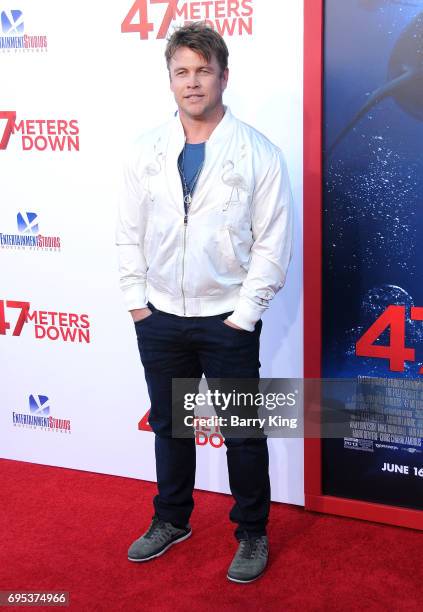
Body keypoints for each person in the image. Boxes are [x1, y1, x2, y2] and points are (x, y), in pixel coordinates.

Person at [116, 22, 293, 584]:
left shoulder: (259, 152)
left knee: (243, 432)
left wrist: (244, 317)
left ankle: (252, 533)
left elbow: (273, 244)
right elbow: (128, 233)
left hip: (228, 321)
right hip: (161, 316)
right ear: (170, 80)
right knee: (170, 425)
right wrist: (137, 303)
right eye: (182, 72)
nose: (193, 83)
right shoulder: (144, 150)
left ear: (223, 76)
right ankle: (171, 520)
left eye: (203, 71)